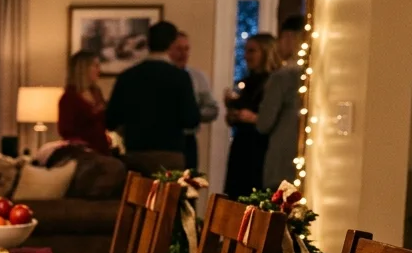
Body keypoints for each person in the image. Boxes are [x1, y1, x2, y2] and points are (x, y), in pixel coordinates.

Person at [105, 20, 201, 174]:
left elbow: (111, 120)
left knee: (137, 197)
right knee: (170, 197)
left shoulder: (127, 77)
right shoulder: (180, 77)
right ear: (171, 44)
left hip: (136, 154)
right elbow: (191, 119)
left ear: (148, 43)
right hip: (169, 154)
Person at [248, 15, 306, 190]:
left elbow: (264, 123)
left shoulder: (283, 76)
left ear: (289, 37)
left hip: (282, 157)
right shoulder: (312, 74)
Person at [222, 33, 281, 198]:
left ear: (266, 52)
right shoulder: (246, 82)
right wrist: (232, 112)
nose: (246, 56)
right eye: (246, 51)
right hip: (242, 145)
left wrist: (253, 118)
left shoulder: (274, 82)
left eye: (252, 51)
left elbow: (274, 119)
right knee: (236, 194)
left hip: (260, 148)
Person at [168, 32, 218, 171]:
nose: (183, 54)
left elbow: (212, 109)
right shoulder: (161, 77)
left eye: (186, 49)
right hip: (163, 141)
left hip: (187, 140)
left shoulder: (197, 77)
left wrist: (192, 113)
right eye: (178, 49)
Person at [57, 51, 112, 154]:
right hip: (83, 153)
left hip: (102, 149)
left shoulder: (96, 93)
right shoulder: (69, 98)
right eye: (95, 66)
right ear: (83, 69)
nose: (99, 70)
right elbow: (65, 131)